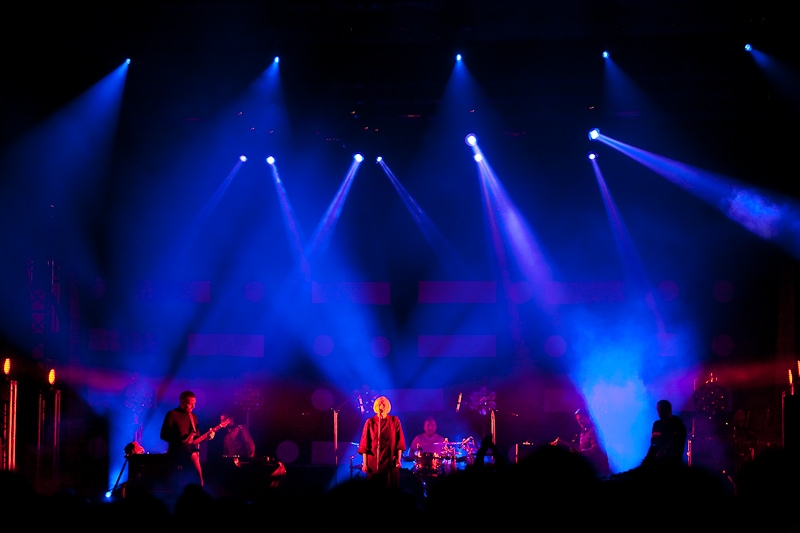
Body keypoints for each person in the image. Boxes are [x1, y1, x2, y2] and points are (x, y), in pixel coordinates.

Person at [160, 391, 216, 487]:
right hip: (176, 455)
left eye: (194, 404)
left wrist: (207, 437)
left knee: (199, 482)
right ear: (182, 401)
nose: (193, 407)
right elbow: (163, 435)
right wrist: (180, 443)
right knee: (177, 484)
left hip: (191, 454)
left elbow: (197, 437)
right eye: (190, 404)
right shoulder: (172, 414)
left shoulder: (193, 417)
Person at [358, 396, 406, 488]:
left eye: (383, 404)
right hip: (374, 461)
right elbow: (364, 444)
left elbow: (400, 441)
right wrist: (365, 463)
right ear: (376, 406)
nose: (381, 406)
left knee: (390, 487)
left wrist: (399, 459)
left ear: (387, 406)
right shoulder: (370, 422)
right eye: (379, 404)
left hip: (390, 460)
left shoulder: (394, 420)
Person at [550, 408, 611, 476]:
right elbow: (581, 448)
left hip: (597, 469)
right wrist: (564, 443)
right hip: (589, 468)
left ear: (588, 417)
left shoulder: (595, 430)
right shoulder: (583, 431)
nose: (579, 422)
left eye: (581, 419)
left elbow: (596, 450)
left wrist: (579, 453)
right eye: (578, 420)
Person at [644, 399, 687, 465]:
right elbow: (653, 444)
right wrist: (647, 459)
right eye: (658, 410)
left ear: (668, 410)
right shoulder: (657, 425)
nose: (659, 412)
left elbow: (677, 445)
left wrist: (663, 452)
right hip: (657, 463)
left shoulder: (678, 425)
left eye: (662, 409)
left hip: (671, 464)